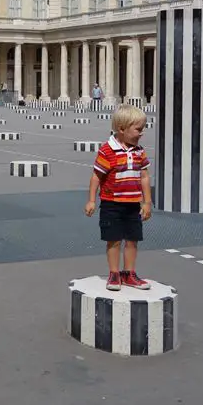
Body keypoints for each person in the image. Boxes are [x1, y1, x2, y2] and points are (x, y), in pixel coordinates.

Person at [84, 104, 153, 291]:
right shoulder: (108, 150)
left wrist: (147, 202)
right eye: (138, 129)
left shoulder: (139, 151)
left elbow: (144, 177)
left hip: (133, 204)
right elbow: (96, 176)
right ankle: (114, 273)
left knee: (132, 239)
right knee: (113, 239)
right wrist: (91, 200)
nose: (142, 133)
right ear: (121, 129)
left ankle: (129, 273)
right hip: (111, 203)